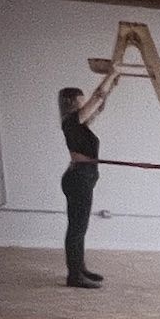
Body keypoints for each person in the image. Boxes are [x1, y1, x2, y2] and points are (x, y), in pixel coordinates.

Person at [57, 78, 117, 288]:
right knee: (77, 228)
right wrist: (110, 75)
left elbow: (99, 104)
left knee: (80, 227)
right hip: (78, 179)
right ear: (72, 102)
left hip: (83, 178)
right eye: (81, 99)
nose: (84, 102)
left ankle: (79, 268)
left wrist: (112, 86)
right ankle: (74, 276)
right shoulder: (72, 121)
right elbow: (97, 97)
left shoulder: (78, 125)